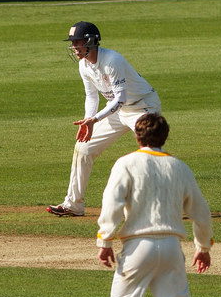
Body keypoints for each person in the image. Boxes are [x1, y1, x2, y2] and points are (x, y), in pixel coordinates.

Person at [96, 113, 213, 297]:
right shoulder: (180, 167)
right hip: (172, 246)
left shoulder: (126, 163)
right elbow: (201, 212)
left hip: (138, 246)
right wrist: (203, 247)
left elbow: (112, 203)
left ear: (137, 136)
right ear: (165, 137)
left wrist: (105, 239)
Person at [47, 21, 162, 217]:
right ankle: (73, 204)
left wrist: (96, 119)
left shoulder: (112, 60)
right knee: (83, 148)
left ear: (91, 41)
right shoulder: (84, 65)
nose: (74, 47)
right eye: (73, 43)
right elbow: (91, 96)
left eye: (78, 42)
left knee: (150, 153)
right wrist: (88, 121)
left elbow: (121, 98)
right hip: (117, 110)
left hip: (143, 107)